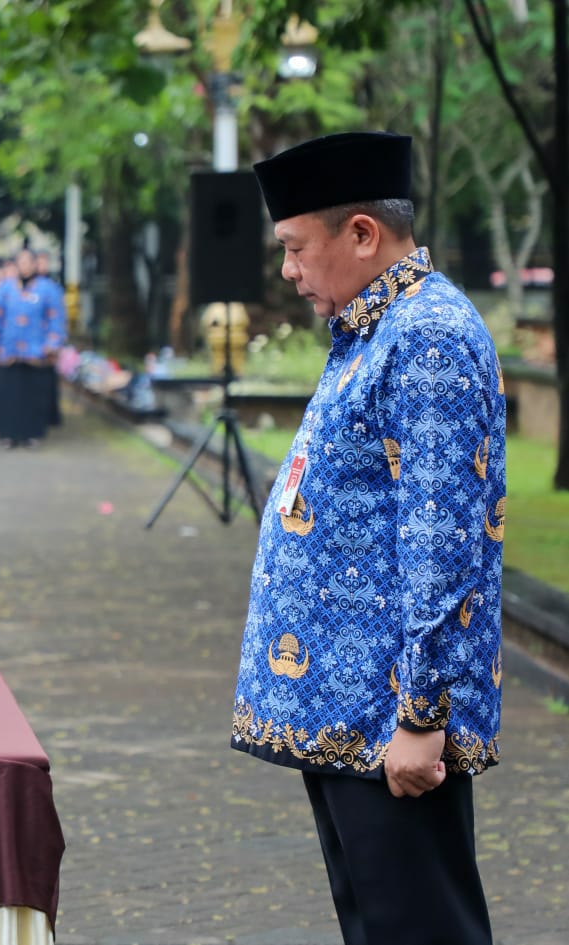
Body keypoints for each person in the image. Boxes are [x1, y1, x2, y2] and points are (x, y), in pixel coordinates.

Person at [230, 132, 504, 945]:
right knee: (379, 925)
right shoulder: (373, 327)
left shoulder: (425, 335)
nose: (287, 270)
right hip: (346, 708)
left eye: (294, 247)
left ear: (360, 233)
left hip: (388, 715)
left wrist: (421, 714)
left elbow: (439, 539)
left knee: (420, 929)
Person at [0, 248, 65, 449]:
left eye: (28, 262)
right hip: (9, 351)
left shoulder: (48, 289)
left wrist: (52, 345)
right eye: (20, 262)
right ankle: (8, 434)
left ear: (34, 264)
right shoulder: (5, 289)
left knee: (33, 395)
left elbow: (55, 319)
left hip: (36, 352)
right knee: (8, 395)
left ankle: (32, 434)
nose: (24, 266)